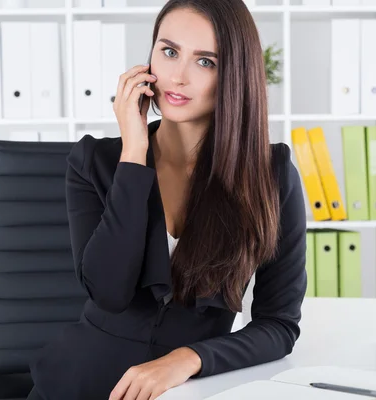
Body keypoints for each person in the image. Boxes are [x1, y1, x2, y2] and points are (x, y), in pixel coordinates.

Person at [27, 0, 307, 398]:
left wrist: (188, 358)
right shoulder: (97, 161)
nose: (177, 76)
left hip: (188, 389)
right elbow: (109, 292)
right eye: (169, 51)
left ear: (234, 75)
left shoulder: (271, 175)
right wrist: (133, 156)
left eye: (205, 61)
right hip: (80, 382)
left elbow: (278, 325)